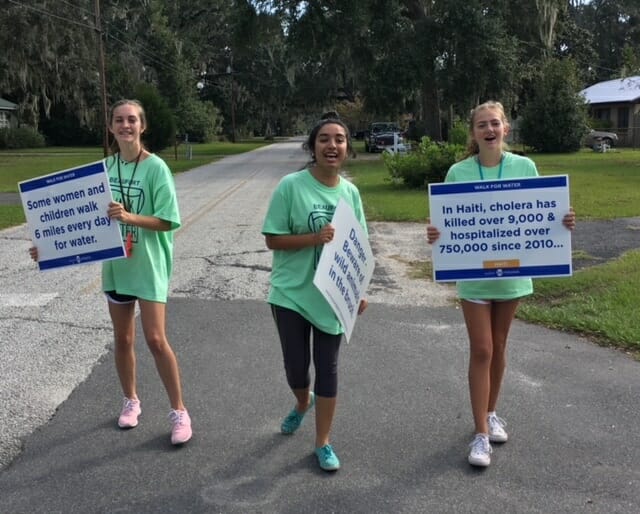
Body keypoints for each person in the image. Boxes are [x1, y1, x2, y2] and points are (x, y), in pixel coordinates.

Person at [30, 99, 192, 445]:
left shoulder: (156, 169)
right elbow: (77, 222)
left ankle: (179, 411)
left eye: (132, 120)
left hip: (148, 264)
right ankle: (131, 400)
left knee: (155, 339)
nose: (125, 125)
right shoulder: (102, 169)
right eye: (119, 120)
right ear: (111, 126)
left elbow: (168, 221)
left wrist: (129, 218)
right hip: (117, 267)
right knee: (123, 339)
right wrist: (47, 246)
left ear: (142, 126)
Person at [426, 101, 576, 467]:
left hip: (512, 274)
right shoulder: (458, 172)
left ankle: (491, 413)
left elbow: (540, 213)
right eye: (481, 125)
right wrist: (436, 233)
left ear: (505, 129)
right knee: (482, 350)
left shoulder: (525, 166)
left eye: (495, 123)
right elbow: (446, 222)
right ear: (473, 133)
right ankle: (480, 435)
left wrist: (563, 221)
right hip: (474, 277)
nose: (489, 129)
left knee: (500, 346)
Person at [262, 115, 368, 471]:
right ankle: (301, 402)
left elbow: (359, 247)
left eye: (339, 139)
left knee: (329, 369)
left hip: (331, 299)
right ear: (313, 147)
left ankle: (322, 442)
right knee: (296, 369)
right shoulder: (291, 186)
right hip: (291, 295)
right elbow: (272, 239)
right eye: (324, 139)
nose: (332, 145)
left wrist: (358, 291)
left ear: (347, 149)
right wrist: (313, 239)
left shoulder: (350, 193)